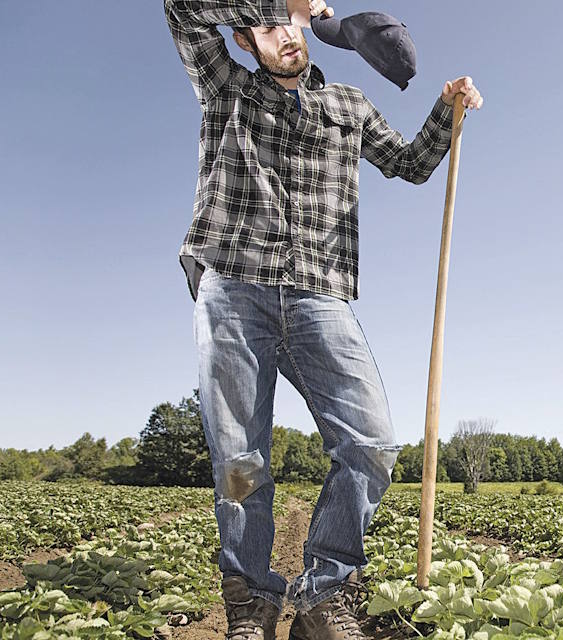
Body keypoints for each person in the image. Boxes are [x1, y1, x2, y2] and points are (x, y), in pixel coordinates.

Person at [163, 0, 484, 638]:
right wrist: (281, 0)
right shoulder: (224, 86)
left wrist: (447, 112)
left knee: (371, 442)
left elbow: (412, 164)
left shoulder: (349, 105)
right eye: (269, 26)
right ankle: (251, 600)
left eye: (292, 24)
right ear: (246, 38)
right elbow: (182, 9)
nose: (284, 35)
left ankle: (322, 596)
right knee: (240, 458)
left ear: (308, 30)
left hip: (319, 295)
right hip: (233, 289)